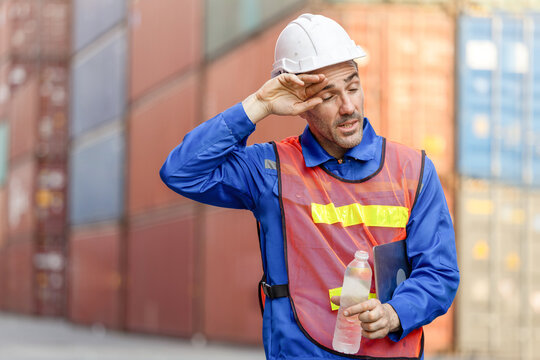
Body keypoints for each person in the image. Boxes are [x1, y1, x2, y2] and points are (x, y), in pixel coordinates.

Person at [160, 13, 459, 360]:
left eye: (352, 86)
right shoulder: (272, 170)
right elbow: (181, 171)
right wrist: (259, 105)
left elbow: (439, 273)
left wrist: (395, 314)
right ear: (299, 103)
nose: (348, 107)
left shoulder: (412, 169)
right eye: (328, 96)